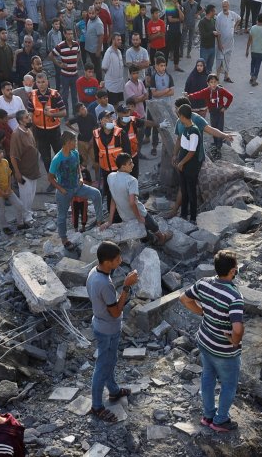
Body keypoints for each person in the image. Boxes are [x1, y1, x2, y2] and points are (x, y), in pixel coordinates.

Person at [180, 250, 246, 432]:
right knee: (229, 385)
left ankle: (208, 415)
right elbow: (238, 329)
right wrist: (234, 341)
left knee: (207, 377)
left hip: (205, 341)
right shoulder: (235, 297)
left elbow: (184, 299)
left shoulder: (204, 283)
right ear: (233, 271)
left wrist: (201, 312)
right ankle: (220, 420)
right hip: (224, 351)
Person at [87, 241, 139, 422]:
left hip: (100, 323)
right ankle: (96, 406)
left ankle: (114, 391)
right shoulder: (105, 285)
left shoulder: (94, 272)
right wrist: (126, 286)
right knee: (102, 366)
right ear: (107, 262)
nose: (121, 261)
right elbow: (116, 311)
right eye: (117, 259)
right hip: (108, 329)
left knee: (110, 360)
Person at [172, 102, 233, 221]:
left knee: (191, 190)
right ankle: (183, 215)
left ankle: (193, 218)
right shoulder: (182, 124)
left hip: (192, 162)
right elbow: (180, 140)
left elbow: (192, 151)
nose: (177, 114)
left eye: (178, 112)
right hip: (183, 161)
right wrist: (175, 155)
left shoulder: (194, 128)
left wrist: (224, 135)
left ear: (183, 114)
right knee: (184, 189)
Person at [48, 133, 104, 254]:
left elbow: (78, 166)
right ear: (68, 142)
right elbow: (50, 178)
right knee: (62, 216)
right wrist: (60, 188)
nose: (76, 143)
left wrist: (81, 178)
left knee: (96, 194)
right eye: (74, 141)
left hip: (77, 186)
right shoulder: (57, 159)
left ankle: (100, 222)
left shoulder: (75, 153)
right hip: (64, 191)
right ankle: (64, 239)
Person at [103, 152, 171, 245]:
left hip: (125, 216)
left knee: (142, 231)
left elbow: (113, 199)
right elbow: (132, 203)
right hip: (138, 212)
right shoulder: (131, 180)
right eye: (130, 163)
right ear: (123, 167)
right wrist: (139, 217)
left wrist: (109, 221)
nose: (133, 165)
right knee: (151, 224)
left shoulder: (110, 177)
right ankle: (161, 237)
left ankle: (152, 240)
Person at [187, 73, 234, 156]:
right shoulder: (206, 91)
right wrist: (188, 96)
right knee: (213, 127)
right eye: (211, 82)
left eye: (215, 82)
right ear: (208, 83)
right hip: (212, 112)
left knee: (219, 127)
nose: (213, 84)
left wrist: (225, 107)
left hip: (220, 112)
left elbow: (230, 97)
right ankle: (215, 143)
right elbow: (197, 94)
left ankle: (219, 146)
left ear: (217, 82)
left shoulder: (221, 90)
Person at [247, 15, 262, 86]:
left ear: (257, 19)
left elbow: (249, 40)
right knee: (257, 65)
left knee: (252, 63)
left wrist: (247, 50)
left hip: (253, 50)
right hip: (260, 51)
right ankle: (254, 79)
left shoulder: (253, 28)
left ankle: (252, 76)